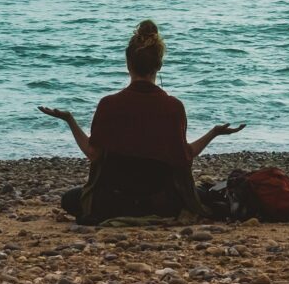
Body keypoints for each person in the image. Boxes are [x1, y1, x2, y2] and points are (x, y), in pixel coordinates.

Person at [39, 20, 245, 224]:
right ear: (159, 65)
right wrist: (213, 133)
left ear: (128, 63)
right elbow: (185, 157)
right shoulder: (173, 107)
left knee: (70, 200)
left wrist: (70, 120)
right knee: (203, 193)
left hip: (114, 200)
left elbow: (94, 155)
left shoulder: (109, 104)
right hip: (162, 202)